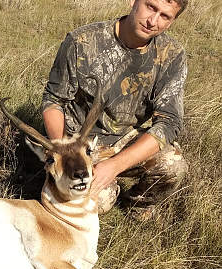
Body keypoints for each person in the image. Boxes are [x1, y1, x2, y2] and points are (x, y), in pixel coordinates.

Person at [41, 0, 188, 219]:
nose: (152, 21)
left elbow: (168, 122)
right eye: (150, 6)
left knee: (173, 165)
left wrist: (115, 165)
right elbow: (54, 100)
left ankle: (136, 207)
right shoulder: (82, 41)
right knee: (96, 202)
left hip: (124, 140)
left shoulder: (172, 55)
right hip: (77, 144)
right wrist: (63, 152)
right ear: (133, 1)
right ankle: (101, 189)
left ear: (173, 21)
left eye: (165, 16)